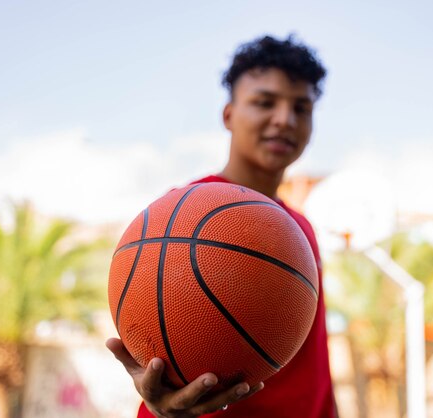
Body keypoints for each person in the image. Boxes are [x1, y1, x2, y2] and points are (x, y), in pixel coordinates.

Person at [106, 34, 336, 418]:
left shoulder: (302, 229)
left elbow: (314, 364)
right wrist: (161, 404)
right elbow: (162, 360)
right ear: (228, 114)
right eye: (264, 102)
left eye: (301, 107)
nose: (284, 119)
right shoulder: (177, 217)